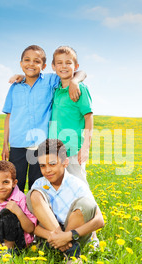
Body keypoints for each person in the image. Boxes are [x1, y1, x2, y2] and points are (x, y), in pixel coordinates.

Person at [2, 45, 86, 193]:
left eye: (37, 61)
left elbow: (80, 72)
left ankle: (36, 215)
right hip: (17, 143)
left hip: (41, 144)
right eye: (27, 60)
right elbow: (9, 116)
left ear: (44, 66)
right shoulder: (15, 87)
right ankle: (13, 214)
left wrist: (75, 81)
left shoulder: (50, 81)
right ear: (21, 63)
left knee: (39, 185)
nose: (31, 64)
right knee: (16, 183)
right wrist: (5, 144)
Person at [26, 139, 104, 264]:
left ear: (65, 163)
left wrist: (68, 236)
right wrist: (54, 236)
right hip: (48, 235)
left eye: (52, 164)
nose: (47, 170)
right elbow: (30, 224)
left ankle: (69, 250)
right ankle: (70, 251)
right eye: (42, 166)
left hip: (74, 234)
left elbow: (100, 220)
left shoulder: (78, 185)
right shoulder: (39, 184)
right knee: (33, 194)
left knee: (85, 204)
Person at [49, 46, 93, 185]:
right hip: (55, 150)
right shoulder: (56, 90)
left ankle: (91, 208)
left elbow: (88, 118)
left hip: (74, 149)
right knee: (60, 187)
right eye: (60, 63)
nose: (64, 66)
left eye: (68, 63)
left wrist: (85, 147)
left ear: (76, 66)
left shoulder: (81, 89)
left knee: (79, 186)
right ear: (53, 66)